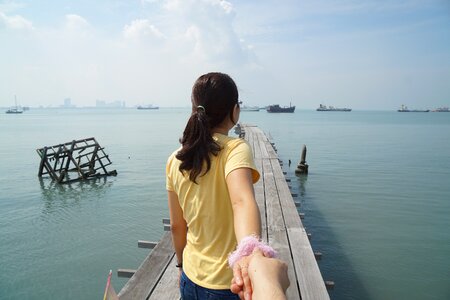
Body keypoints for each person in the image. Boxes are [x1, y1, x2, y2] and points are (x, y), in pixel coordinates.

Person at [166, 72, 263, 299]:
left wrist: (180, 265)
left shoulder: (175, 159)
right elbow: (242, 202)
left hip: (190, 277)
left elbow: (176, 226)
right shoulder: (235, 149)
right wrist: (248, 253)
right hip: (229, 283)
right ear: (234, 111)